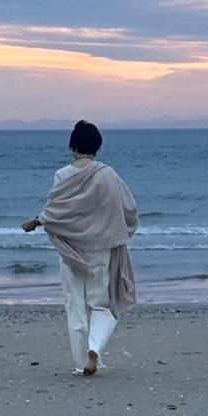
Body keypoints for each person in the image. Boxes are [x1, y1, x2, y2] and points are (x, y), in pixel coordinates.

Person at [22, 120, 138, 376]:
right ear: (98, 146)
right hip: (101, 249)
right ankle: (94, 350)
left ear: (72, 145)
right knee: (102, 305)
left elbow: (57, 210)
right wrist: (117, 230)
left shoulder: (63, 175)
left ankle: (81, 361)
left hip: (70, 250)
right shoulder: (108, 174)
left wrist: (37, 221)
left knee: (74, 305)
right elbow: (128, 208)